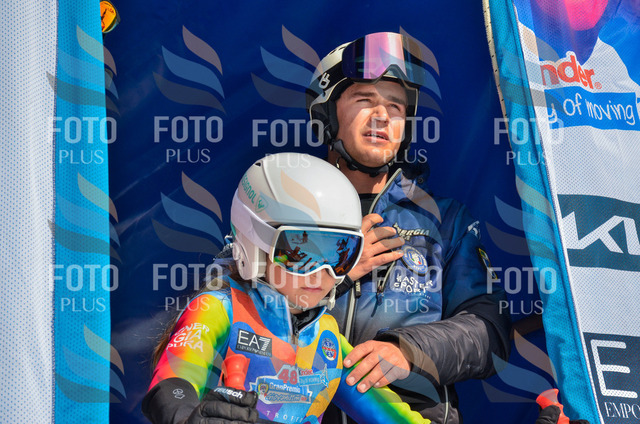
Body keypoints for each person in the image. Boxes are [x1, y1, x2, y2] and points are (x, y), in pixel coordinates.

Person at [305, 32, 512, 423]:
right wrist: (335, 275)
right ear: (327, 113)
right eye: (364, 100)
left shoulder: (445, 220)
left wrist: (409, 350)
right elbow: (223, 305)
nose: (382, 116)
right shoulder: (281, 203)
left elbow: (491, 331)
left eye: (395, 106)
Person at [142, 153, 430, 424]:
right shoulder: (218, 308)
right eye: (299, 253)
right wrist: (185, 416)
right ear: (254, 246)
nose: (321, 273)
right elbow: (172, 381)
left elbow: (395, 418)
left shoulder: (328, 337)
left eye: (339, 254)